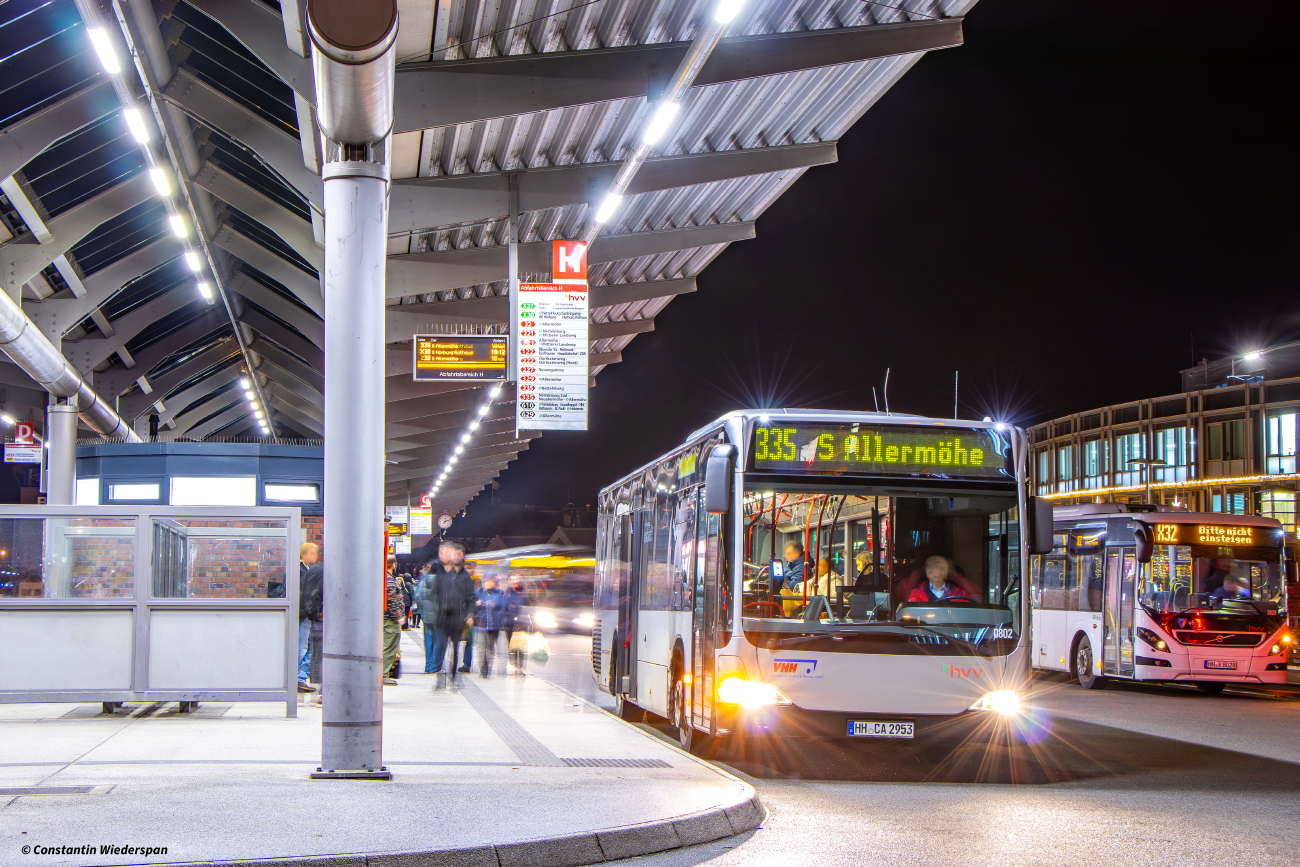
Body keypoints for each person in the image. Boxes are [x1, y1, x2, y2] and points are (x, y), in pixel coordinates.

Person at [424, 541, 477, 684]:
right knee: (440, 644)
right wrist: (438, 607)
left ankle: (452, 675)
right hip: (442, 617)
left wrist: (470, 614)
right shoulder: (440, 572)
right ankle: (437, 671)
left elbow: (470, 597)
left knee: (455, 647)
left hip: (457, 617)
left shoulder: (464, 576)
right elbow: (433, 593)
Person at [296, 543, 320, 693]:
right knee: (302, 646)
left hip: (309, 614)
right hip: (303, 614)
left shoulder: (308, 570)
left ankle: (301, 676)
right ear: (303, 554)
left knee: (309, 646)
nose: (315, 556)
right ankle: (298, 678)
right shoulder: (299, 571)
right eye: (312, 553)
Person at [907, 555, 976, 603]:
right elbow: (913, 615)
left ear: (946, 572)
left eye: (941, 569)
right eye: (932, 569)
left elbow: (964, 613)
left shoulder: (958, 593)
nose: (937, 572)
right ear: (927, 572)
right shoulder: (917, 593)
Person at [476, 578, 507, 677]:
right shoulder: (478, 593)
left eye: (491, 581)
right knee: (481, 647)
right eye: (486, 581)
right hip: (482, 624)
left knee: (490, 647)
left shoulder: (499, 593)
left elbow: (503, 607)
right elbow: (471, 605)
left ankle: (487, 667)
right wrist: (477, 605)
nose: (488, 583)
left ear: (495, 583)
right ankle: (482, 666)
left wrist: (498, 616)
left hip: (495, 625)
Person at [382, 556, 405, 686]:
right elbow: (391, 599)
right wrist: (398, 616)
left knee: (387, 645)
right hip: (389, 620)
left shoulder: (384, 578)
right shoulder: (389, 579)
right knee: (389, 646)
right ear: (394, 565)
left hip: (386, 619)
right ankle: (383, 674)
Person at [503, 575, 525, 673]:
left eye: (516, 579)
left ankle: (519, 666)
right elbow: (503, 606)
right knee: (511, 644)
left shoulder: (523, 591)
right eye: (511, 579)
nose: (514, 581)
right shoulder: (506, 593)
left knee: (520, 644)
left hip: (521, 622)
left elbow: (526, 604)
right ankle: (513, 663)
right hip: (509, 622)